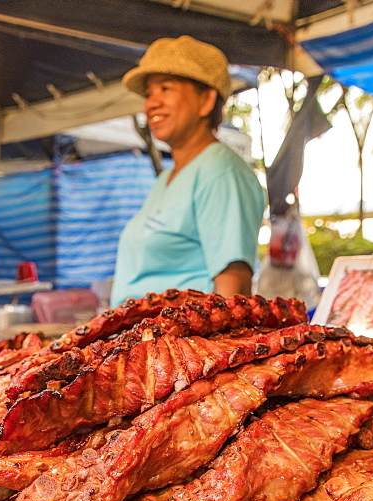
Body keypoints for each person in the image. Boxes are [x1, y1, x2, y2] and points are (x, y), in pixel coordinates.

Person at [110, 36, 266, 306]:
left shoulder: (220, 171)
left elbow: (234, 295)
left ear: (206, 100)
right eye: (149, 94)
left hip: (181, 345)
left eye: (166, 88)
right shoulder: (165, 180)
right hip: (139, 343)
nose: (151, 104)